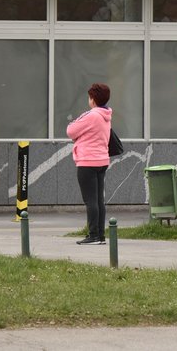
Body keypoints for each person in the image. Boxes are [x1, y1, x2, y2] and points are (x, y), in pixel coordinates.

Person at [67, 83, 112, 245]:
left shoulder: (92, 115)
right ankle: (100, 236)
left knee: (90, 201)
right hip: (101, 160)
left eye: (89, 97)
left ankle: (93, 235)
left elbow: (71, 131)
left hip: (87, 162)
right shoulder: (106, 115)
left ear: (92, 99)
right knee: (99, 200)